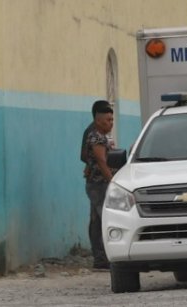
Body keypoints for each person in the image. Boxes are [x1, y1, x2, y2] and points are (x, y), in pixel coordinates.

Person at [82, 100, 116, 270]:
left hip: (97, 184)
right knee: (105, 220)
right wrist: (113, 181)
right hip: (99, 185)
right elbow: (102, 161)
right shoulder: (96, 136)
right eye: (107, 120)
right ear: (98, 120)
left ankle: (100, 258)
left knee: (96, 222)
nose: (111, 123)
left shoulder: (100, 136)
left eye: (112, 120)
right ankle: (105, 256)